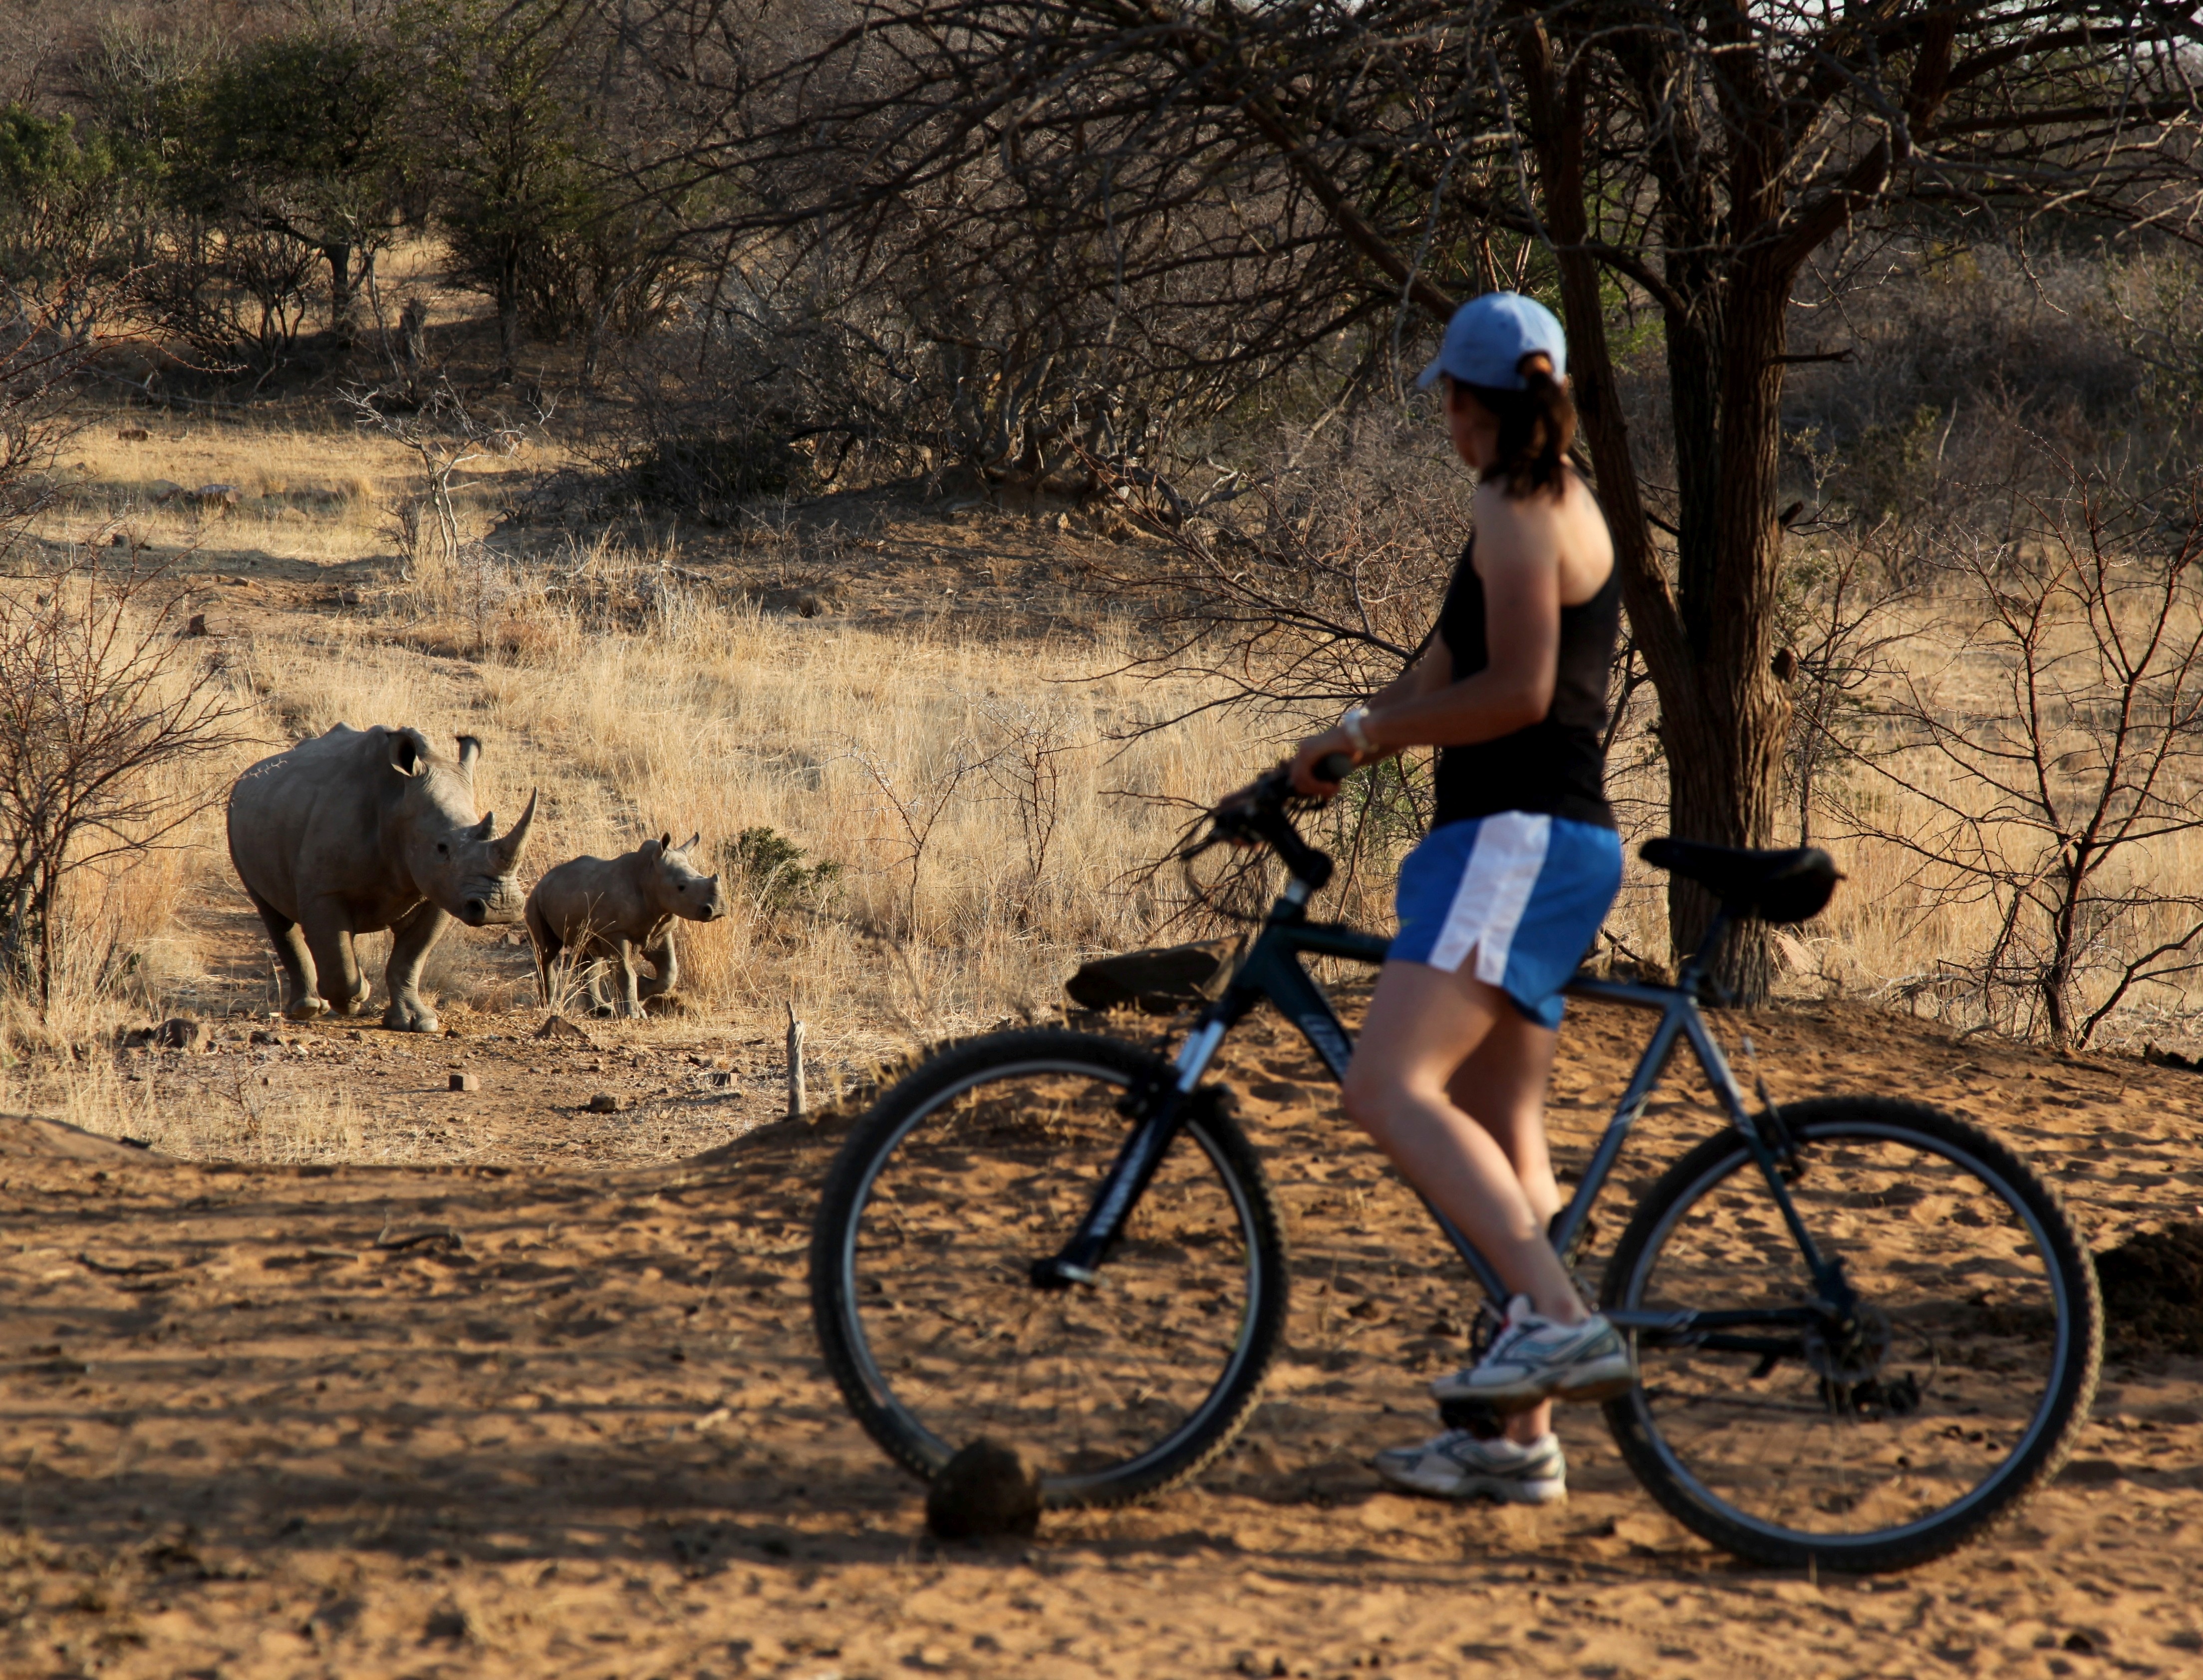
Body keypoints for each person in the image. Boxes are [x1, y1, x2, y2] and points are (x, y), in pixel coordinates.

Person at [1289, 292, 1632, 1505]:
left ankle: (1551, 1318)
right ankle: (1513, 1438)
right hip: (1527, 843)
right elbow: (1445, 665)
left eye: (1444, 393)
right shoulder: (1534, 502)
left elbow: (1522, 691)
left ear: (1473, 403)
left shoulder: (1521, 504)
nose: (1440, 413)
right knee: (1501, 1140)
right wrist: (1334, 748)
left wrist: (1371, 731)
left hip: (1518, 837)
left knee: (1384, 1086)